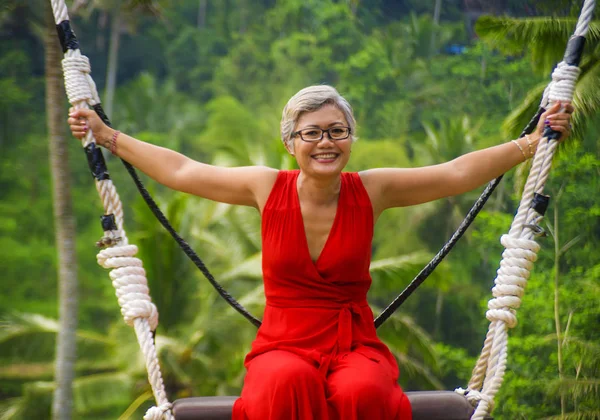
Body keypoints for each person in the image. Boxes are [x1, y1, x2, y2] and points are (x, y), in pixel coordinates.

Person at [68, 85, 573, 420]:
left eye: (337, 131)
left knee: (365, 394)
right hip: (283, 342)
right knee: (281, 384)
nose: (325, 142)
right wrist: (107, 136)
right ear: (291, 143)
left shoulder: (371, 190)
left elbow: (455, 173)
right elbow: (181, 171)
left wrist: (532, 143)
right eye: (312, 133)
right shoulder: (266, 187)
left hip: (352, 341)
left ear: (351, 138)